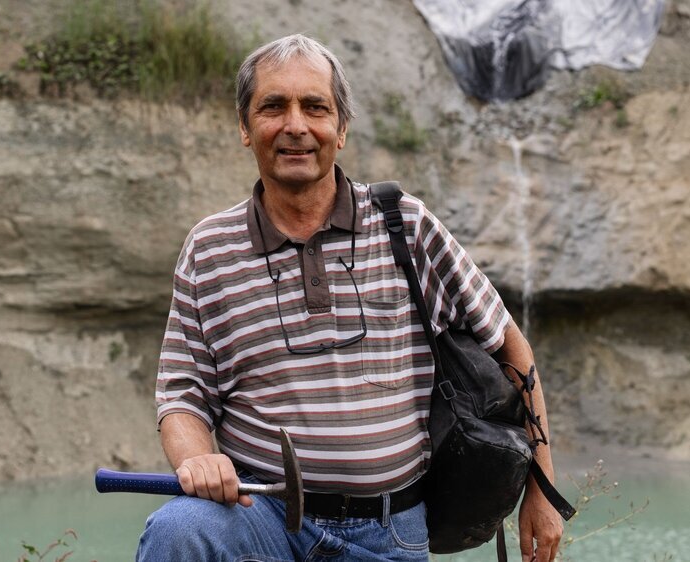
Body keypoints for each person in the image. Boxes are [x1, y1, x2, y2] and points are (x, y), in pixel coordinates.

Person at [138, 33, 563, 562]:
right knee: (180, 532)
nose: (296, 125)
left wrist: (541, 493)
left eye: (315, 107)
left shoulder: (404, 224)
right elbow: (182, 394)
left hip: (391, 530)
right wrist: (199, 460)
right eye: (273, 107)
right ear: (246, 128)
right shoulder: (210, 249)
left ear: (340, 129)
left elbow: (512, 351)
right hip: (260, 518)